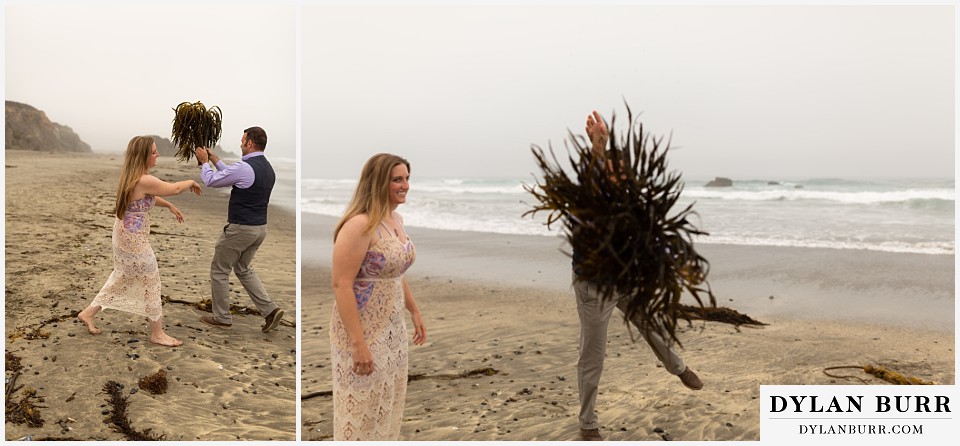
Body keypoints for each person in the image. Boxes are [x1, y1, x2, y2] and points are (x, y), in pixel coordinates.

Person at [573, 111, 702, 441]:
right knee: (593, 357)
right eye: (610, 173)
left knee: (652, 324)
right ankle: (587, 424)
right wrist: (598, 148)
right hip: (594, 288)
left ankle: (679, 368)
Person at [329, 153, 426, 440]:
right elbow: (341, 284)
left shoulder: (396, 218)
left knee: (388, 406)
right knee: (359, 413)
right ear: (377, 182)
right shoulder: (359, 225)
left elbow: (395, 272)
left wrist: (415, 311)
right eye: (397, 179)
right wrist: (358, 344)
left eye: (407, 178)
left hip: (393, 330)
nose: (405, 185)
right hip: (361, 330)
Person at [77, 135, 202, 347]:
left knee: (124, 276)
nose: (158, 155)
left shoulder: (133, 177)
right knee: (151, 279)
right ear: (143, 155)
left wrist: (169, 207)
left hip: (125, 235)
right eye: (153, 152)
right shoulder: (144, 180)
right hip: (132, 240)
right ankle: (157, 333)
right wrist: (190, 181)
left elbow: (149, 197)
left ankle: (88, 313)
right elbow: (174, 189)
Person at [194, 127, 283, 333]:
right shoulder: (267, 168)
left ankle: (222, 317)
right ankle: (270, 310)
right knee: (243, 268)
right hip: (260, 228)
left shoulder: (245, 167)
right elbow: (234, 176)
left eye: (243, 140)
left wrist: (204, 162)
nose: (241, 144)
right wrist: (216, 160)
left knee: (219, 269)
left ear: (250, 143)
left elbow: (212, 181)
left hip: (241, 228)